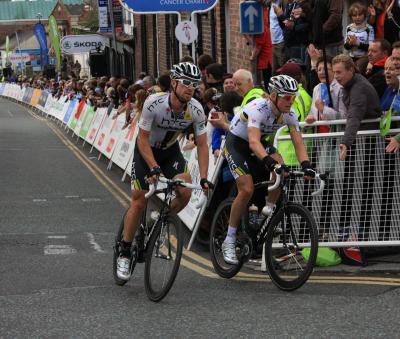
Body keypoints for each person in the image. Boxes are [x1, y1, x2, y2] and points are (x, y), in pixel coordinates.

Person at [116, 62, 212, 280]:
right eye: (186, 83)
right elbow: (141, 139)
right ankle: (124, 251)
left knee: (185, 191)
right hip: (146, 152)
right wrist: (153, 168)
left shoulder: (196, 109)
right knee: (139, 201)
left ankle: (160, 221)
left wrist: (204, 177)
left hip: (170, 153)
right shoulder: (154, 103)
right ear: (175, 83)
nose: (191, 88)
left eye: (194, 84)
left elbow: (203, 144)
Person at [221, 75, 315, 264]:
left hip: (259, 145)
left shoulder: (290, 114)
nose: (292, 101)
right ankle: (229, 240)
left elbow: (298, 144)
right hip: (238, 144)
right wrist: (268, 162)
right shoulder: (258, 109)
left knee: (283, 171)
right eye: (287, 97)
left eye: (293, 97)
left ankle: (267, 212)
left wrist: (307, 166)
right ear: (273, 96)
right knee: (246, 188)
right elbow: (254, 141)